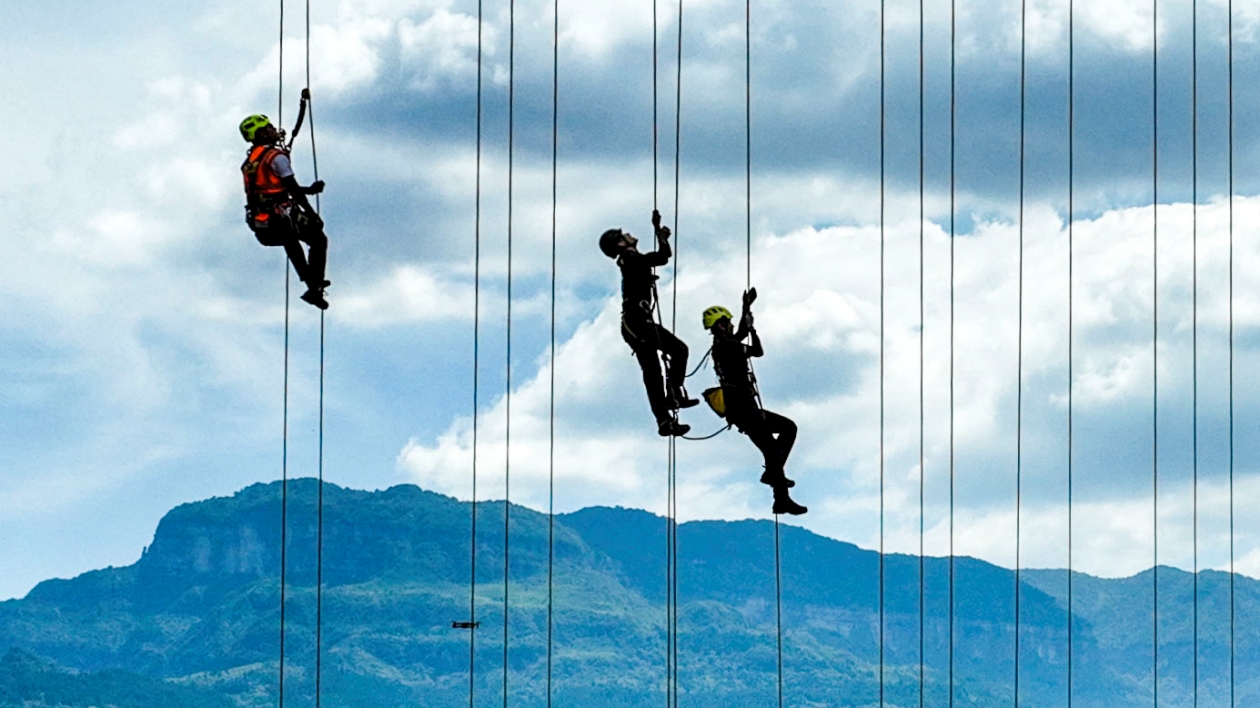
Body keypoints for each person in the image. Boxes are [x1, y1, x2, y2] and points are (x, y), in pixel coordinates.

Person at [703, 288, 807, 515]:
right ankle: (780, 496)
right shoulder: (728, 345)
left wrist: (745, 308)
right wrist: (753, 330)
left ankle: (777, 486)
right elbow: (757, 351)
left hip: (742, 407)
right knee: (773, 447)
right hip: (744, 407)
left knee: (784, 432)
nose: (731, 325)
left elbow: (738, 333)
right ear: (720, 325)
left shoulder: (721, 345)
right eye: (727, 322)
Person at [600, 210, 698, 437]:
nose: (630, 235)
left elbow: (662, 256)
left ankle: (666, 416)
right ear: (620, 243)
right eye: (625, 235)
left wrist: (660, 234)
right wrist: (660, 235)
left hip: (637, 323)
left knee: (656, 370)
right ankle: (671, 399)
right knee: (675, 353)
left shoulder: (633, 259)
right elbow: (661, 257)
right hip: (637, 324)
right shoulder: (631, 258)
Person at [239, 112, 330, 309]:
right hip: (279, 218)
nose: (274, 130)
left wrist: (309, 190)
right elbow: (293, 189)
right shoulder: (276, 157)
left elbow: (270, 188)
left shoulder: (251, 162)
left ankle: (312, 285)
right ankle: (313, 285)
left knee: (291, 239)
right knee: (317, 238)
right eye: (269, 128)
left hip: (260, 224)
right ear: (262, 134)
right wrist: (313, 214)